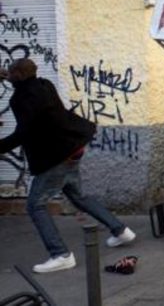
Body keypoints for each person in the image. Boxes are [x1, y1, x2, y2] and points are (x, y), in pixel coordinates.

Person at [0, 59, 135, 274]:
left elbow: (23, 133)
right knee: (78, 196)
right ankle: (121, 231)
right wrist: (9, 76)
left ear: (17, 74)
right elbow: (25, 83)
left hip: (55, 158)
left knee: (35, 205)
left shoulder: (21, 98)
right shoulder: (45, 85)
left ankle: (61, 254)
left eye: (11, 72)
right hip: (72, 149)